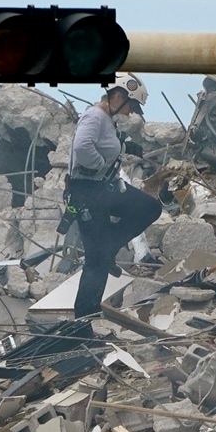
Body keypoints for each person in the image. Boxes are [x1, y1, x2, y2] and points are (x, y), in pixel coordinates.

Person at [66, 72, 162, 320]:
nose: (131, 112)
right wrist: (99, 165)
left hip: (104, 190)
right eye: (131, 105)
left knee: (149, 208)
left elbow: (103, 145)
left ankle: (108, 247)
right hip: (87, 194)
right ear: (118, 96)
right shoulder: (95, 115)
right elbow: (81, 147)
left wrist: (126, 148)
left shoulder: (108, 119)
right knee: (96, 264)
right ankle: (83, 320)